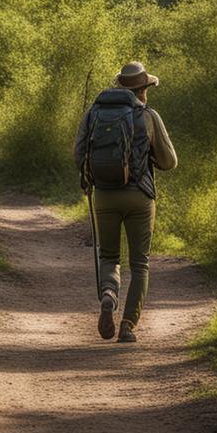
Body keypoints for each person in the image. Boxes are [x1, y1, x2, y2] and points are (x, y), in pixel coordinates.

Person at [74, 61, 178, 343]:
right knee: (140, 264)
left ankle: (108, 294)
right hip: (140, 197)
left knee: (109, 256)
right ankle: (128, 326)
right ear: (144, 89)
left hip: (104, 195)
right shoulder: (149, 116)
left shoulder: (94, 113)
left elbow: (79, 152)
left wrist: (89, 181)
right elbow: (170, 162)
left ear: (121, 86)